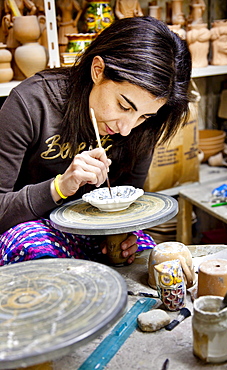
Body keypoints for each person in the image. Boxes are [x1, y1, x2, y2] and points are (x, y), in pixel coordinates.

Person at [0, 16, 192, 266]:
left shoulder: (145, 125)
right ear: (98, 70)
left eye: (143, 115)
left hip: (95, 230)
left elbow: (131, 201)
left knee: (150, 258)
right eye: (123, 105)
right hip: (29, 227)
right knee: (37, 250)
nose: (126, 129)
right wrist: (59, 188)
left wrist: (122, 234)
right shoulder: (31, 103)